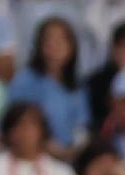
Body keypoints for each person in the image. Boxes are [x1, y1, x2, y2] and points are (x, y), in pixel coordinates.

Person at [8, 15, 87, 156]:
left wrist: (74, 148)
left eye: (62, 39)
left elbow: (81, 125)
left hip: (71, 154)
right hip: (33, 152)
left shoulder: (77, 86)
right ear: (39, 45)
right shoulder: (24, 80)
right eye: (49, 40)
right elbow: (15, 121)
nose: (55, 46)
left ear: (72, 46)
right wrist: (45, 144)